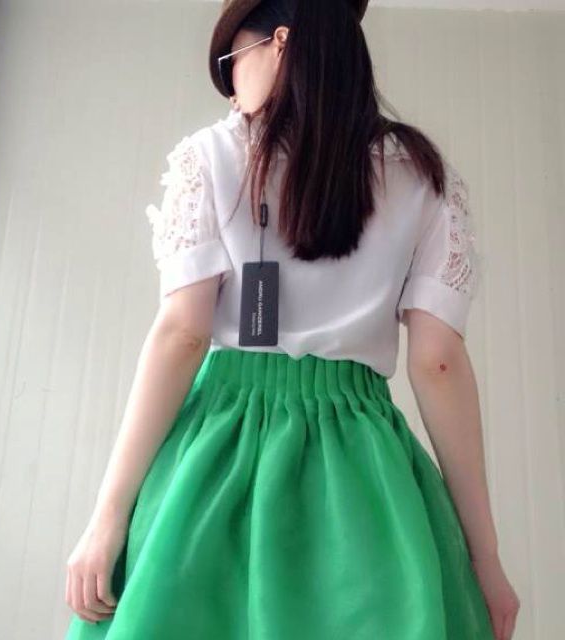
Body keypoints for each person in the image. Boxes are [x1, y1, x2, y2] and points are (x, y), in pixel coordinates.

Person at [64, 0, 520, 638]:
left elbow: (183, 334)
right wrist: (485, 558)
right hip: (365, 468)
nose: (230, 93)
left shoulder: (211, 155)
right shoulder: (423, 175)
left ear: (279, 42)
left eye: (231, 63)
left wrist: (107, 518)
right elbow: (438, 362)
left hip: (218, 455)